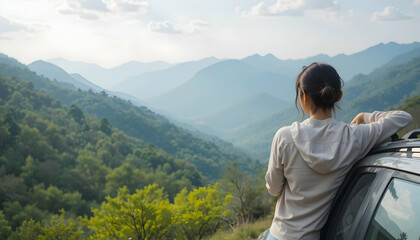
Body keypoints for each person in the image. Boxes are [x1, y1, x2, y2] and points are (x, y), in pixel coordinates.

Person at [265, 62, 413, 240]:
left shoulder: (284, 137)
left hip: (280, 234)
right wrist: (364, 116)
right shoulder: (355, 138)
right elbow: (404, 117)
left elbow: (273, 189)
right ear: (339, 96)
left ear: (303, 96)